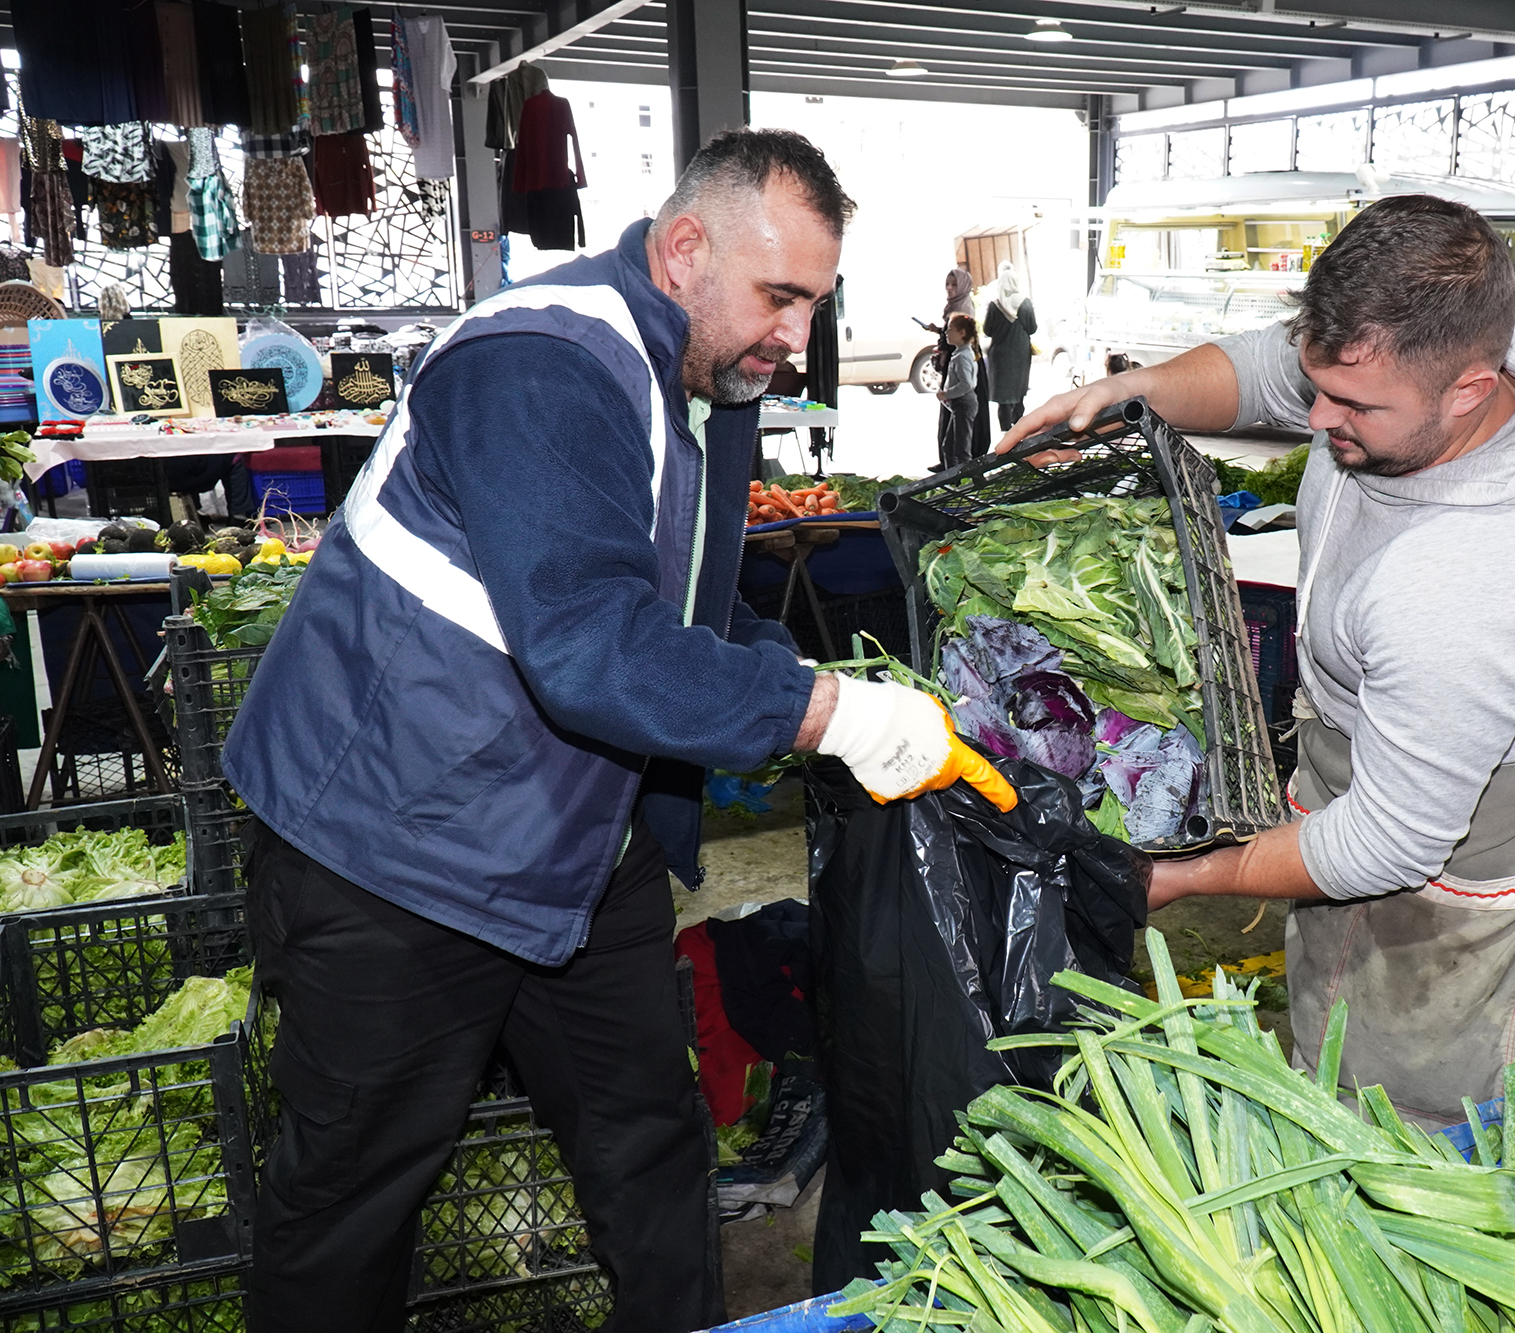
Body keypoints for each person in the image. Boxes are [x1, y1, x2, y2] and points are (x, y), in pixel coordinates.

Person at [224, 128, 1016, 1333]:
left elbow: (693, 603)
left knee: (651, 1137)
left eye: (815, 302)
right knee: (355, 1190)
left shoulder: (709, 380)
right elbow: (591, 644)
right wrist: (828, 713)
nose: (796, 338)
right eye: (781, 297)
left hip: (576, 841)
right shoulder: (542, 362)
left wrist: (797, 670)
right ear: (685, 245)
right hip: (397, 845)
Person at [998, 194, 1515, 1130]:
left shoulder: (1471, 586)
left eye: (1355, 405)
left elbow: (1388, 844)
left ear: (1470, 389)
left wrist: (1189, 875)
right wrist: (1136, 393)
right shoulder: (1430, 355)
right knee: (1329, 987)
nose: (1315, 412)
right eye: (1318, 382)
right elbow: (1267, 372)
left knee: (1397, 1087)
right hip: (1380, 735)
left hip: (1470, 825)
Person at [983, 260, 1036, 432]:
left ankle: (1005, 430)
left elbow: (987, 330)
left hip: (1000, 356)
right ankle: (1018, 424)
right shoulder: (1025, 303)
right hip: (1020, 354)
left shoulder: (995, 305)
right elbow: (1032, 328)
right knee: (1018, 391)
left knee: (1002, 397)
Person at [936, 312, 980, 468]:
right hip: (961, 404)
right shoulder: (962, 353)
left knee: (961, 449)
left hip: (964, 403)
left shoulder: (962, 357)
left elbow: (966, 384)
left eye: (950, 330)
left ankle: (972, 481)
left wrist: (946, 394)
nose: (947, 333)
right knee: (949, 447)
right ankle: (954, 480)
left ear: (962, 333)